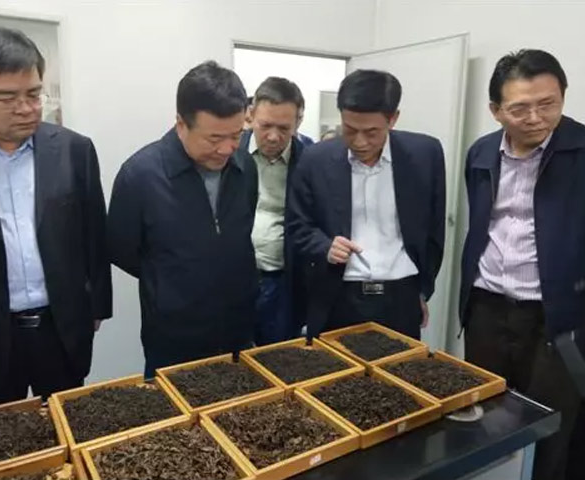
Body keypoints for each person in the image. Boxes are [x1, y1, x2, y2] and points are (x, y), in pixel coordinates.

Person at [0, 26, 112, 411]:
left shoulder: (73, 149)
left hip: (60, 327)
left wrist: (96, 306)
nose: (27, 108)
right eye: (8, 97)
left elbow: (93, 234)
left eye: (34, 94)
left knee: (66, 425)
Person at [459, 49, 585, 480]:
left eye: (548, 104)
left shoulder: (580, 150)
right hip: (487, 308)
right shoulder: (481, 153)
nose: (535, 118)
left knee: (550, 428)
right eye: (520, 108)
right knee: (485, 419)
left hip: (557, 320)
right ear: (496, 110)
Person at [108, 61, 258, 376]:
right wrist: (172, 279)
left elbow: (240, 232)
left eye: (236, 135)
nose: (227, 149)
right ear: (181, 124)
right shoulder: (140, 175)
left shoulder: (245, 167)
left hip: (238, 330)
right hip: (174, 338)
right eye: (214, 138)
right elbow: (123, 251)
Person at [289, 69, 445, 340]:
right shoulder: (315, 159)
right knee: (333, 367)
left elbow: (433, 229)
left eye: (372, 132)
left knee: (399, 366)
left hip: (401, 295)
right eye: (349, 130)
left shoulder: (425, 154)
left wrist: (421, 290)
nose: (360, 142)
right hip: (338, 295)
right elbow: (296, 226)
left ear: (393, 119)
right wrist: (325, 246)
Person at [238, 77, 306, 345]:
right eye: (265, 125)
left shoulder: (310, 161)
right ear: (250, 115)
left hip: (283, 283)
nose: (274, 136)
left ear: (298, 122)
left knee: (277, 356)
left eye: (284, 128)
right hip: (232, 279)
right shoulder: (228, 152)